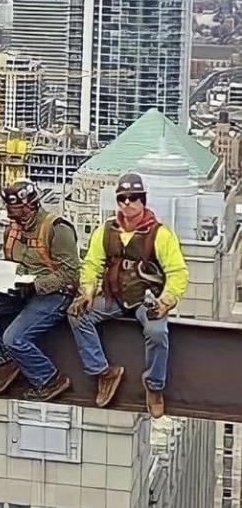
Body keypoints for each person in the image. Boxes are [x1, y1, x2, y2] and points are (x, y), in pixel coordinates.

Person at [69, 172, 189, 419]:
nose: (127, 203)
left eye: (133, 198)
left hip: (147, 299)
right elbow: (91, 263)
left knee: (157, 332)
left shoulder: (160, 234)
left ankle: (154, 387)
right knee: (78, 315)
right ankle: (103, 371)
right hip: (114, 296)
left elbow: (177, 271)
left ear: (143, 200)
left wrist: (166, 301)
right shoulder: (106, 231)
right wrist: (88, 290)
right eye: (122, 198)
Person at [0, 179, 80, 401]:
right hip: (21, 288)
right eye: (10, 210)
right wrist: (3, 278)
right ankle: (2, 363)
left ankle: (49, 378)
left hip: (55, 293)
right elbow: (10, 261)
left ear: (30, 205)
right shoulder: (12, 229)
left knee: (14, 338)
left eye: (17, 210)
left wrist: (36, 285)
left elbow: (70, 274)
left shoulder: (56, 228)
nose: (13, 216)